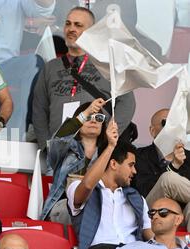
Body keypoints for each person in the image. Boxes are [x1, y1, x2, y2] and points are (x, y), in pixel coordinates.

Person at [32, 7, 136, 158]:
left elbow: (127, 102)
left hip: (95, 150)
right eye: (68, 24)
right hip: (59, 151)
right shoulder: (50, 68)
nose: (71, 29)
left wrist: (109, 134)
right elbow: (39, 110)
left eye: (78, 25)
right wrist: (46, 146)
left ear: (91, 31)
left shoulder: (106, 65)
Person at [67, 121, 154, 249]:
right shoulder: (77, 187)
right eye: (130, 165)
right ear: (113, 164)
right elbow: (87, 185)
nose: (135, 171)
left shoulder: (137, 198)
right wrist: (110, 146)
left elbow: (150, 235)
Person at [41, 98, 107, 221]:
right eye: (88, 117)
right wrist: (86, 112)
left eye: (98, 118)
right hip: (63, 208)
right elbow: (57, 140)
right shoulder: (64, 150)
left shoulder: (107, 154)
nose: (93, 120)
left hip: (96, 208)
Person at [133, 108, 190, 231]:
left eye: (175, 123)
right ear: (152, 131)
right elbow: (143, 190)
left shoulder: (189, 156)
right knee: (168, 177)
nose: (172, 128)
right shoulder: (139, 155)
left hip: (181, 214)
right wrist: (173, 166)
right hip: (152, 210)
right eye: (166, 123)